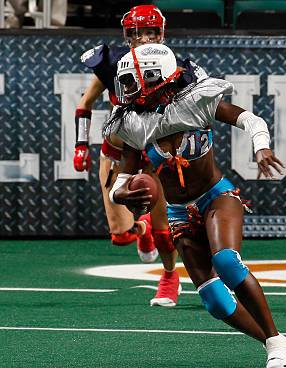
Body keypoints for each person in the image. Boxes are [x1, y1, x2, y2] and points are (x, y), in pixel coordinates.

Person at [104, 43, 286, 368]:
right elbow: (118, 186)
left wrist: (261, 146)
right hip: (178, 211)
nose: (129, 90)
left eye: (135, 81)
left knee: (226, 261)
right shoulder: (132, 124)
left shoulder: (195, 101)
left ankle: (276, 339)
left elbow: (249, 119)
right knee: (214, 301)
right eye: (127, 82)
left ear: (157, 78)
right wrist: (129, 194)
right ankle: (273, 343)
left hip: (215, 196)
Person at [75, 5, 206, 307]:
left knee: (163, 227)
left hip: (153, 155)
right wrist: (81, 145)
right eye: (138, 32)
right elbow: (85, 102)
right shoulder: (111, 64)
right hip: (118, 154)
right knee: (122, 235)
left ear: (161, 33)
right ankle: (141, 229)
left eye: (151, 32)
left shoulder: (175, 67)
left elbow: (197, 114)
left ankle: (170, 277)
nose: (146, 38)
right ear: (128, 36)